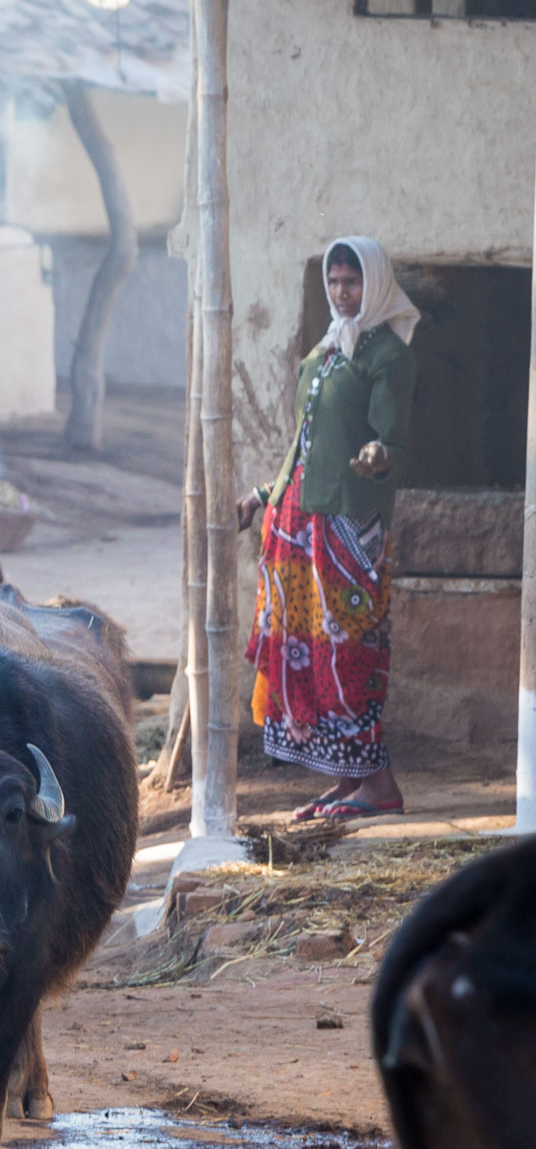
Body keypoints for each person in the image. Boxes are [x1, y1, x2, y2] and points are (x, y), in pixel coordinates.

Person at [238, 237, 419, 821]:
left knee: (348, 653)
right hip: (297, 521)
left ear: (376, 284)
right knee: (309, 653)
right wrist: (265, 493)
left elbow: (392, 441)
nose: (343, 293)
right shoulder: (324, 353)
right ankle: (349, 781)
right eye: (336, 282)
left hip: (345, 526)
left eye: (354, 282)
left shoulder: (388, 354)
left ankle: (379, 784)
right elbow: (303, 441)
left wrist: (377, 455)